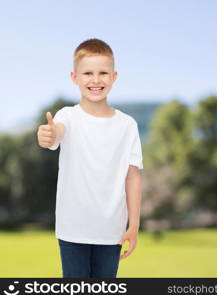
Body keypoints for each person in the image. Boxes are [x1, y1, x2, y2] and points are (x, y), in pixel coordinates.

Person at [36, 38, 143, 278]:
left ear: (114, 76)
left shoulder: (127, 125)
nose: (95, 80)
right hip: (72, 229)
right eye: (87, 73)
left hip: (112, 232)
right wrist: (49, 134)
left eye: (103, 72)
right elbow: (57, 132)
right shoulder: (68, 116)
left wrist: (134, 224)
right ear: (75, 77)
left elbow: (133, 177)